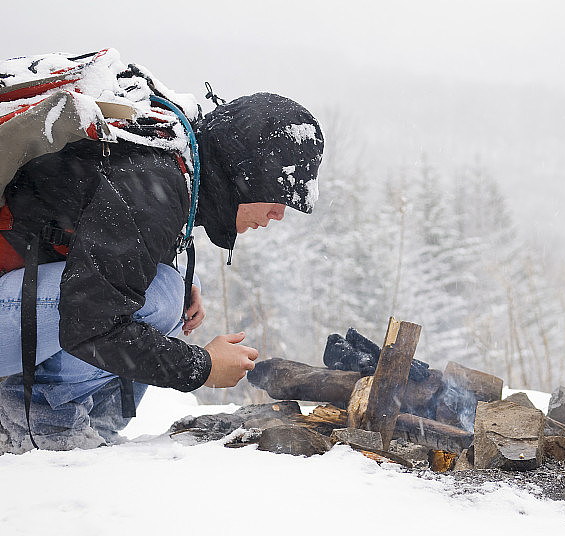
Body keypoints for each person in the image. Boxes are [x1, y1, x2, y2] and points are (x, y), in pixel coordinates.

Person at [0, 92, 324, 453]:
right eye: (278, 194)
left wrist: (181, 281)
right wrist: (202, 366)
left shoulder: (174, 164)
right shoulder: (153, 182)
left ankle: (95, 429)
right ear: (245, 171)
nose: (279, 214)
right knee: (157, 300)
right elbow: (91, 323)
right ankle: (36, 424)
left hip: (15, 304)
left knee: (173, 291)